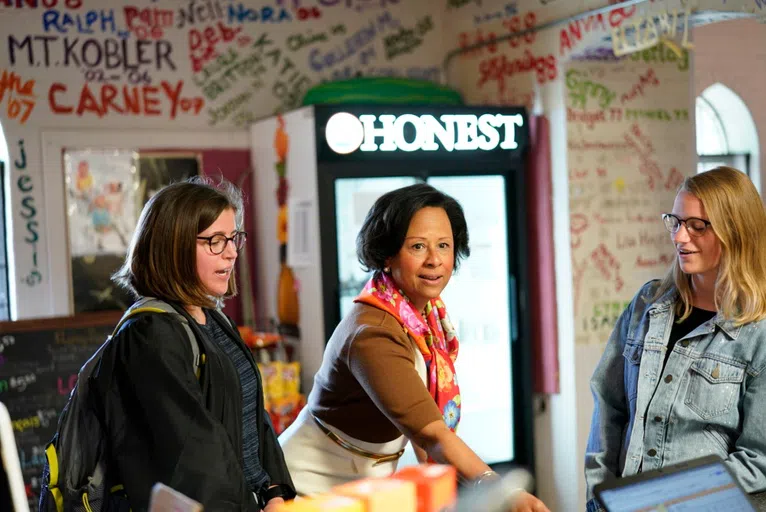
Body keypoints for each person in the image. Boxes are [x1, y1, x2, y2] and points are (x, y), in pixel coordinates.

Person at [279, 183, 548, 512]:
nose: (435, 260)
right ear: (388, 254)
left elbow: (426, 431)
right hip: (306, 488)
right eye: (418, 246)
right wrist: (500, 489)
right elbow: (433, 434)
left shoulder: (426, 318)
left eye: (444, 246)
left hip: (362, 485)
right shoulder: (373, 333)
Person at [103, 178, 295, 511]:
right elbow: (194, 456)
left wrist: (274, 491)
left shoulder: (214, 318)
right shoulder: (150, 333)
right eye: (216, 241)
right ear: (172, 246)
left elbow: (252, 415)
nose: (233, 252)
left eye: (234, 238)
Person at [585, 167, 766, 511]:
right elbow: (609, 408)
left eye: (697, 226)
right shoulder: (647, 304)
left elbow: (759, 461)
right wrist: (599, 498)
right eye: (676, 222)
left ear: (736, 232)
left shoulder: (759, 331)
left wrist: (666, 501)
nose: (680, 237)